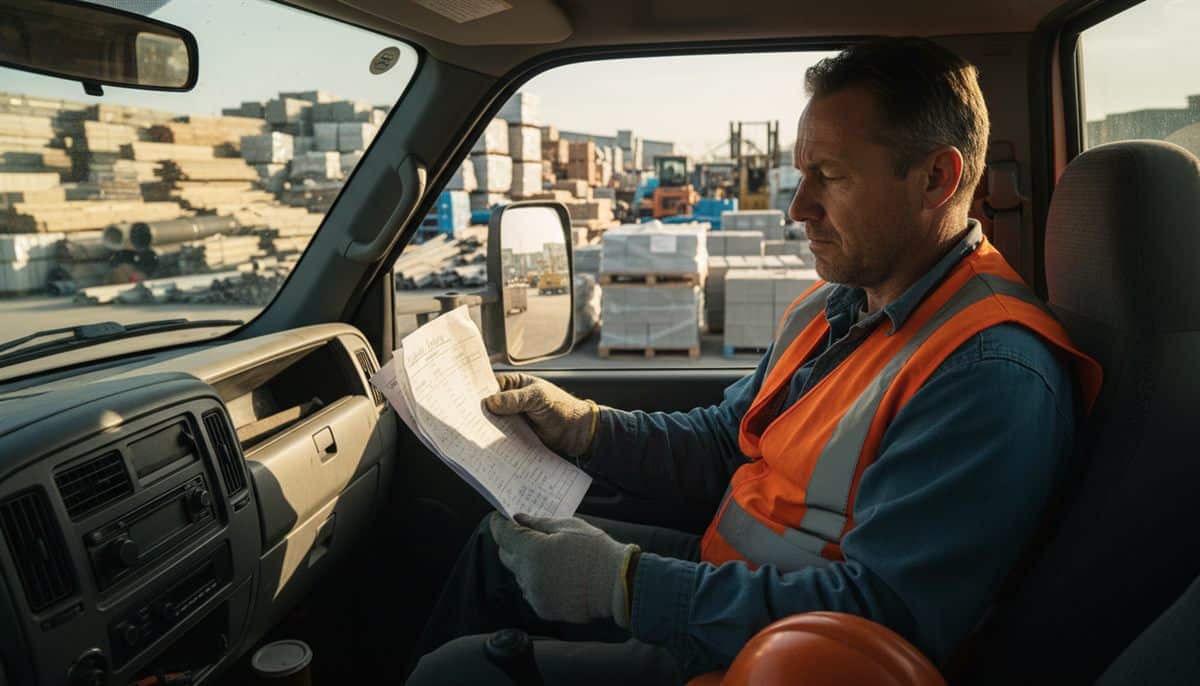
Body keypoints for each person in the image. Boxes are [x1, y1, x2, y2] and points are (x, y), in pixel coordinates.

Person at [407, 37, 1102, 685]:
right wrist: (584, 425)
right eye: (801, 175)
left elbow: (880, 620)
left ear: (936, 179)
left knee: (457, 674)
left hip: (776, 656)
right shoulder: (835, 305)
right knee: (496, 549)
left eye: (828, 177)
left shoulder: (989, 372)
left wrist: (624, 587)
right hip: (731, 581)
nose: (799, 207)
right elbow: (725, 439)